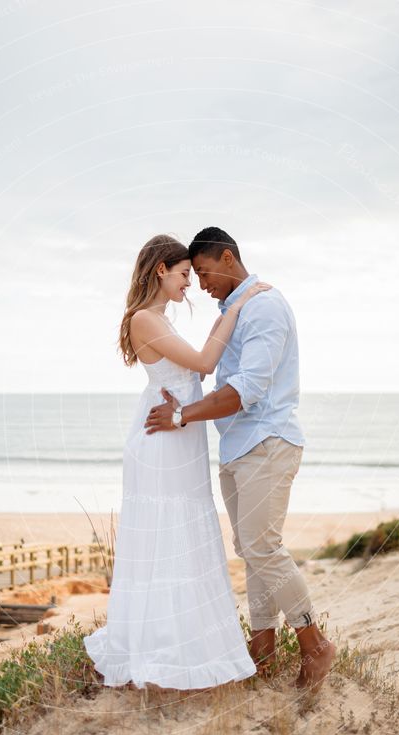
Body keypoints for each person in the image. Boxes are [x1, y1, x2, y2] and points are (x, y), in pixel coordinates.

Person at [144, 226, 336, 692]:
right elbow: (208, 365)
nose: (201, 284)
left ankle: (314, 644)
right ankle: (263, 646)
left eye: (204, 272)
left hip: (267, 441)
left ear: (227, 258)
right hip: (238, 447)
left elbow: (246, 390)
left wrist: (182, 416)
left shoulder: (265, 307)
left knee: (263, 548)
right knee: (250, 551)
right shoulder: (236, 307)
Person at [83, 234, 271, 689]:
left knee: (185, 533)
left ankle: (187, 644)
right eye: (184, 273)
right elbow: (206, 363)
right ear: (159, 271)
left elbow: (195, 367)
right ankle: (162, 649)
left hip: (180, 436)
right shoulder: (145, 319)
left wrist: (233, 310)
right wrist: (239, 305)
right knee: (169, 536)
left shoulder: (159, 319)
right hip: (164, 441)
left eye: (192, 272)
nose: (190, 282)